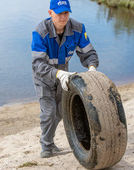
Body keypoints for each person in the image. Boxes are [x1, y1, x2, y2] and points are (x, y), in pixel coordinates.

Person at [31, 0, 99, 158]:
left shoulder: (78, 28)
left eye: (66, 13)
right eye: (59, 13)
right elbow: (37, 64)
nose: (63, 17)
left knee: (61, 112)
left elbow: (88, 53)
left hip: (64, 76)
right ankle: (46, 147)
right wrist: (57, 73)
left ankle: (50, 142)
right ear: (50, 13)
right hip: (44, 77)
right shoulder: (40, 32)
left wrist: (92, 67)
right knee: (48, 113)